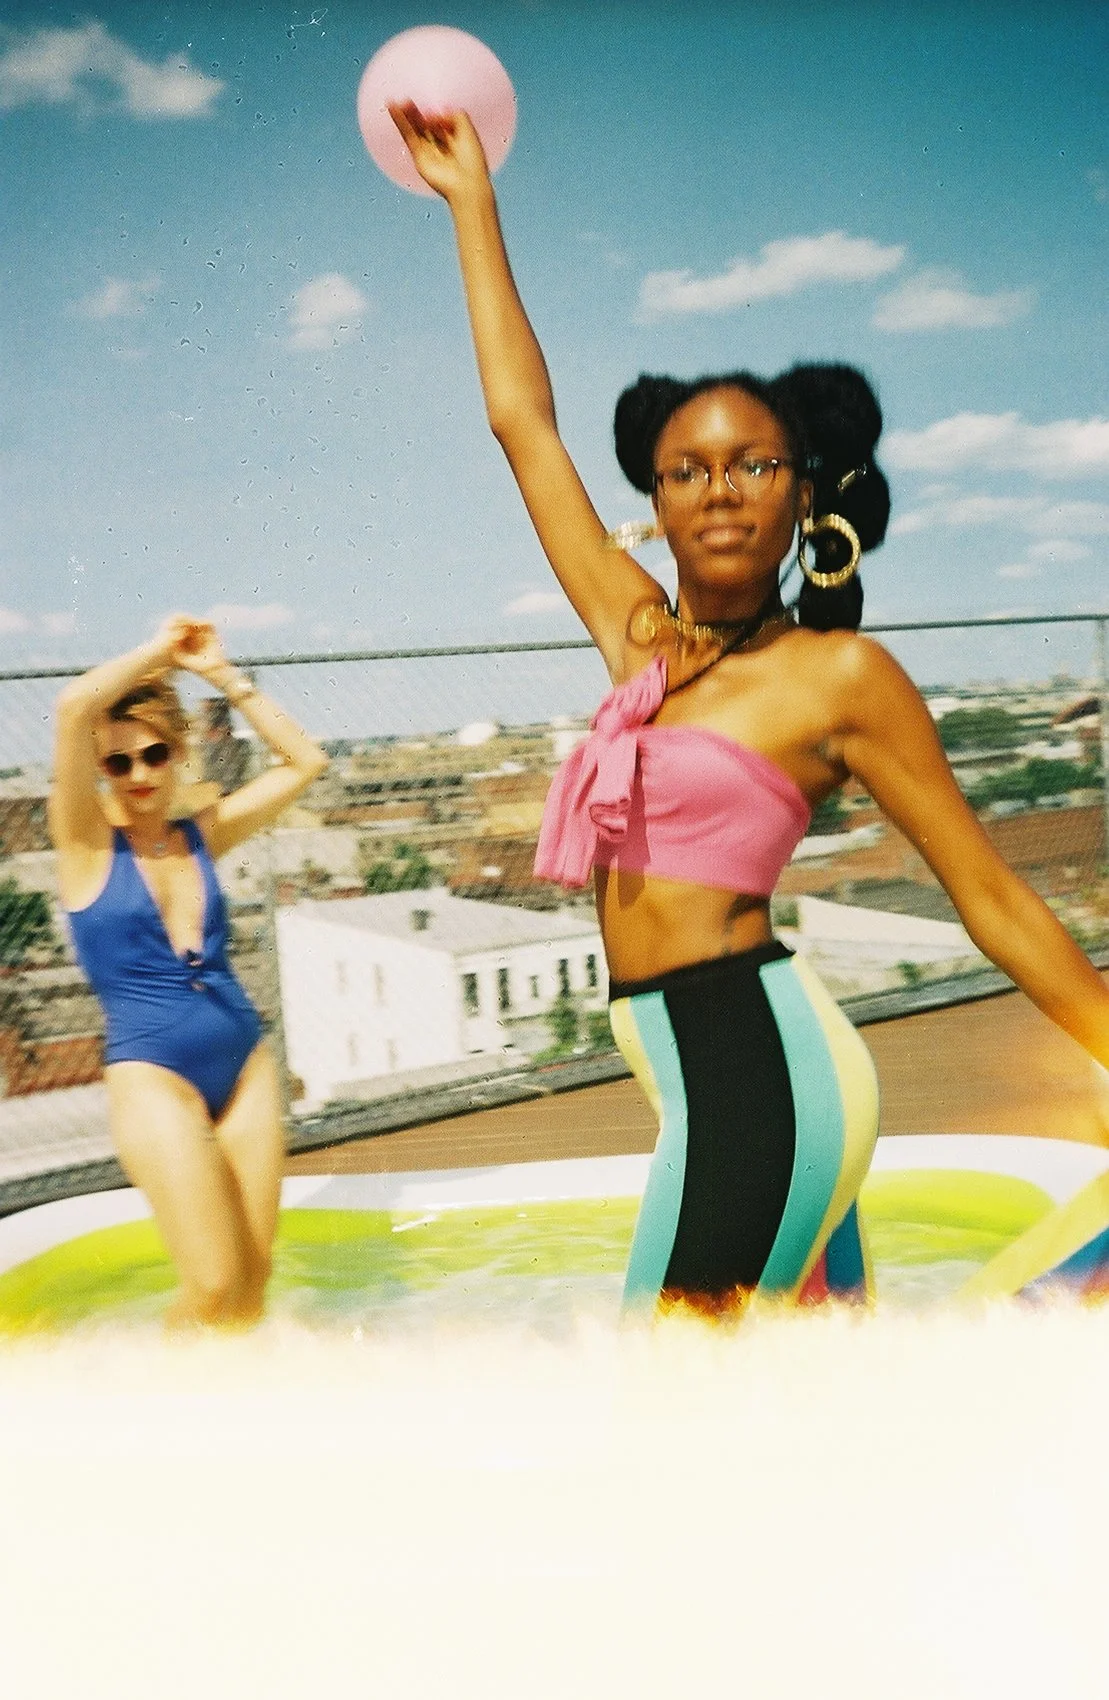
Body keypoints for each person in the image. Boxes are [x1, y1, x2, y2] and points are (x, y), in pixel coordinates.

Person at [391, 106, 1109, 1318]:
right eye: (685, 469)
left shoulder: (839, 678)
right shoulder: (637, 638)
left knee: (663, 1404)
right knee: (816, 1425)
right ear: (654, 506)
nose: (717, 488)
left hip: (760, 1073)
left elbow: (985, 891)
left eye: (752, 463)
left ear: (803, 496)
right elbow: (523, 430)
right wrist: (472, 205)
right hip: (695, 1071)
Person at [49, 616, 329, 1326]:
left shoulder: (200, 835)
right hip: (153, 1075)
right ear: (97, 768)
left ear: (177, 753)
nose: (139, 774)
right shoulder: (85, 847)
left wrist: (219, 676)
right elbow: (72, 707)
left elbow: (305, 764)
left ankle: (233, 1423)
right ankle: (152, 1421)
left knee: (253, 1282)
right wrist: (159, 654)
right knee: (209, 1283)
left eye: (153, 754)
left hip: (243, 1062)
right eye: (117, 763)